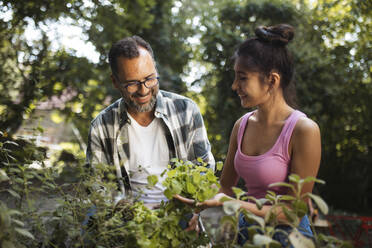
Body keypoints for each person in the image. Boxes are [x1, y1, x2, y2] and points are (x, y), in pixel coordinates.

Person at [178, 24, 321, 245]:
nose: (235, 86)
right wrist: (195, 202)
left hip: (288, 239)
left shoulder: (304, 130)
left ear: (272, 80)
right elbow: (225, 187)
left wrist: (235, 204)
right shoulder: (242, 126)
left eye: (242, 78)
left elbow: (294, 213)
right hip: (247, 234)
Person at [86, 36, 215, 208]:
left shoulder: (186, 111)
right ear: (115, 82)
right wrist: (129, 211)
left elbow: (205, 170)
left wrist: (195, 208)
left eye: (150, 79)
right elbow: (95, 187)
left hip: (180, 216)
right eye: (132, 84)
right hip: (126, 223)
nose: (144, 90)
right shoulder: (101, 127)